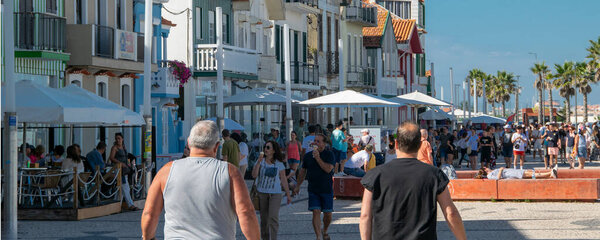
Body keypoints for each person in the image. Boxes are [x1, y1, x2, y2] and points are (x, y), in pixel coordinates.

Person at [141, 120, 260, 240]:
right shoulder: (230, 172)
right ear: (217, 146)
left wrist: (148, 238)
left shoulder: (166, 171)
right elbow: (246, 213)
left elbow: (149, 213)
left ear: (188, 142)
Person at [359, 122, 466, 240]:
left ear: (396, 144)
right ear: (420, 145)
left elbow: (365, 216)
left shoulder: (375, 175)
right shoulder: (434, 175)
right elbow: (451, 213)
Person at [293, 134, 335, 240]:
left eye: (318, 141)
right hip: (313, 189)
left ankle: (324, 230)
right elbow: (302, 172)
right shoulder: (308, 156)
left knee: (328, 214)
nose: (315, 143)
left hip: (326, 188)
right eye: (314, 141)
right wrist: (297, 186)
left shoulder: (329, 154)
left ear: (324, 143)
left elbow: (328, 169)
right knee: (316, 211)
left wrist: (318, 158)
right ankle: (318, 237)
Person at [251, 140, 292, 240]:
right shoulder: (260, 161)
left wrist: (288, 194)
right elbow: (254, 175)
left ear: (274, 150)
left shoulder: (279, 163)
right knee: (264, 220)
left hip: (275, 194)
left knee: (273, 217)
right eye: (265, 147)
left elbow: (283, 179)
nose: (266, 149)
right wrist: (258, 162)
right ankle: (265, 238)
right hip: (262, 193)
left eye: (268, 147)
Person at [109, 132, 137, 211]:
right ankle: (130, 205)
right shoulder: (114, 148)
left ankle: (117, 205)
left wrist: (128, 163)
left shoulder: (123, 147)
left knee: (121, 188)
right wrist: (120, 163)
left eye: (119, 138)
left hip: (125, 170)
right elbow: (111, 158)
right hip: (119, 170)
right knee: (125, 187)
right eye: (116, 139)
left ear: (122, 139)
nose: (118, 140)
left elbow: (126, 157)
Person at [476, 167, 557, 180]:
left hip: (511, 171)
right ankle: (550, 173)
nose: (488, 167)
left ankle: (550, 173)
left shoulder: (492, 171)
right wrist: (500, 170)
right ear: (485, 170)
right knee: (529, 174)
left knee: (529, 172)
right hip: (510, 174)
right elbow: (497, 178)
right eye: (486, 167)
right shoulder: (489, 175)